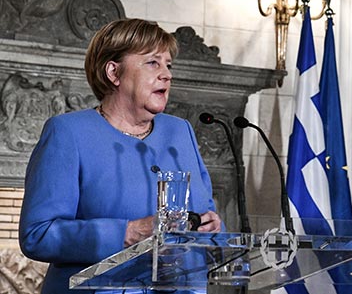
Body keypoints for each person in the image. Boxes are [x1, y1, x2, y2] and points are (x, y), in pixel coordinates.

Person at [19, 18, 222, 294]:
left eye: (168, 65)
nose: (166, 74)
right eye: (153, 63)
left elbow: (207, 214)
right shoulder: (68, 132)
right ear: (114, 72)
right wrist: (126, 233)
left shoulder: (180, 132)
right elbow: (37, 235)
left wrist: (212, 228)